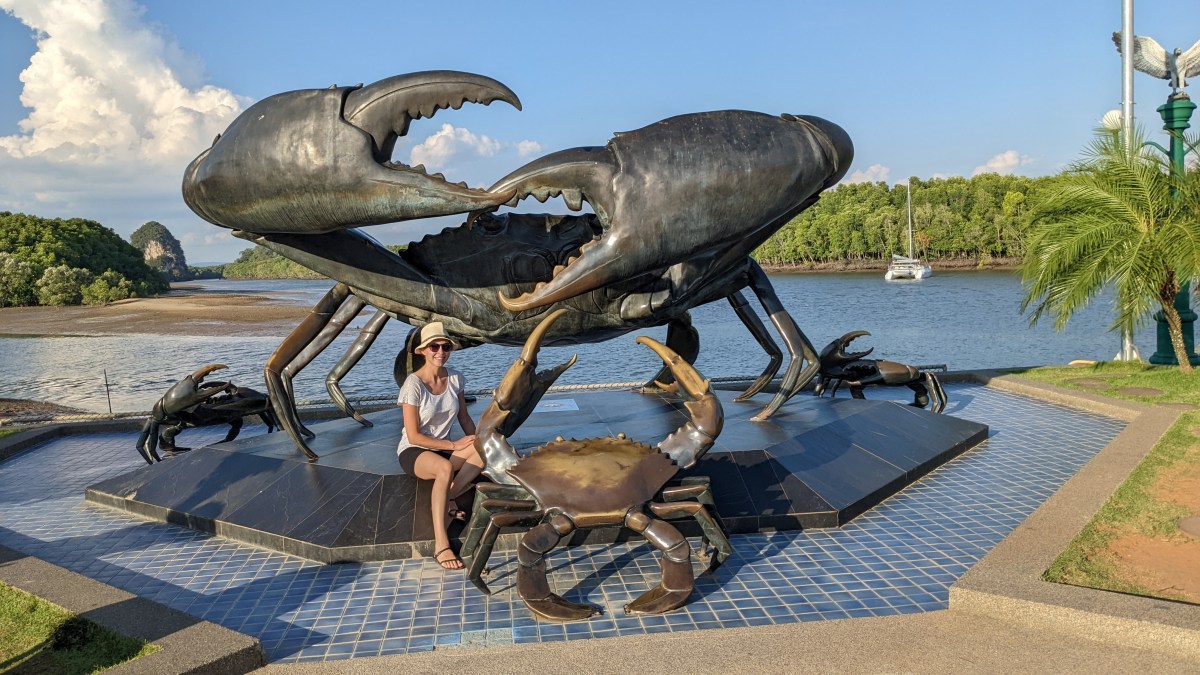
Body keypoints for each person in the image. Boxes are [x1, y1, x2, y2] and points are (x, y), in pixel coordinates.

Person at [396, 322, 482, 570]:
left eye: (445, 347)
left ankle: (449, 496)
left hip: (444, 447)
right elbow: (413, 436)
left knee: (483, 449)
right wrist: (453, 444)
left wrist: (479, 439)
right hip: (415, 451)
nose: (440, 352)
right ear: (423, 351)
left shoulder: (455, 378)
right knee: (444, 468)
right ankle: (441, 545)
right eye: (434, 346)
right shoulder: (413, 385)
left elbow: (464, 418)